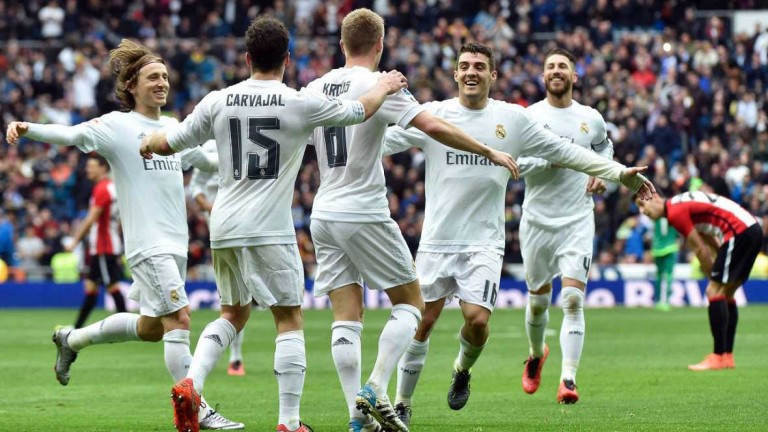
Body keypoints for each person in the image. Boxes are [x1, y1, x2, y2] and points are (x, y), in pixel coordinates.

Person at [139, 15, 410, 432]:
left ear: (247, 58)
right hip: (270, 227)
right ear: (287, 58)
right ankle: (289, 422)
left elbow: (167, 142)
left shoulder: (217, 100)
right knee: (288, 319)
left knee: (232, 313)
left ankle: (193, 381)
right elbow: (359, 111)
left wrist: (148, 142)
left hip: (224, 225)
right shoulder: (297, 102)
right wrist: (384, 86)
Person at [383, 42, 655, 427]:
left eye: (480, 66)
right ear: (456, 73)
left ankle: (462, 369)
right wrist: (334, 134)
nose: (471, 72)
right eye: (465, 66)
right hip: (436, 242)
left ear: (493, 75)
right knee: (423, 322)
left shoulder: (512, 119)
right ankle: (402, 402)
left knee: (478, 321)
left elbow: (566, 152)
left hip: (484, 242)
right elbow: (384, 141)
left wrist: (617, 173)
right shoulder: (435, 115)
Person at [5, 39, 243, 431]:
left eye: (164, 76)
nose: (162, 83)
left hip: (175, 244)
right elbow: (70, 134)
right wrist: (28, 129)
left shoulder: (173, 128)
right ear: (131, 86)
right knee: (180, 319)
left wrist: (244, 158)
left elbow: (204, 160)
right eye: (153, 77)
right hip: (148, 244)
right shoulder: (118, 127)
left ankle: (72, 339)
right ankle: (196, 409)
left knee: (151, 329)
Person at [306, 11, 518, 432]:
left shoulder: (314, 87)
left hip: (323, 212)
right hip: (363, 210)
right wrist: (488, 150)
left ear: (342, 45)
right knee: (411, 304)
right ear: (380, 45)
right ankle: (376, 386)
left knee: (346, 317)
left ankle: (358, 420)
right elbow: (433, 125)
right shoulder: (380, 84)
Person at [516, 47, 612, 405]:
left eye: (563, 66)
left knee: (572, 299)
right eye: (550, 66)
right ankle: (536, 353)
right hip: (537, 221)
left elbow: (605, 150)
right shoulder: (528, 118)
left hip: (577, 219)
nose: (556, 71)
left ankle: (568, 379)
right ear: (543, 76)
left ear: (574, 76)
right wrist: (547, 161)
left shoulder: (591, 118)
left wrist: (602, 175)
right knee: (538, 303)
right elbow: (514, 163)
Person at [636, 191, 763, 371]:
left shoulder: (675, 212)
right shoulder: (681, 204)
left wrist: (714, 277)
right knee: (727, 294)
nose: (642, 211)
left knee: (714, 291)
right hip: (751, 229)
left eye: (642, 204)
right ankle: (727, 356)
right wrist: (719, 265)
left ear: (655, 197)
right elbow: (708, 236)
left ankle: (718, 356)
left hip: (738, 231)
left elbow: (700, 250)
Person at [188, 141, 247, 376]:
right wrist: (213, 208)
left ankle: (235, 357)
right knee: (234, 298)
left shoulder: (240, 144)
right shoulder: (210, 148)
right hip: (219, 229)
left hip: (243, 224)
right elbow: (196, 188)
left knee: (239, 298)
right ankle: (234, 358)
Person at [64, 153, 127, 328]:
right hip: (105, 245)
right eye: (87, 167)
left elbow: (91, 219)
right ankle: (77, 328)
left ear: (103, 168)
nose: (88, 170)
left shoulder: (102, 189)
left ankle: (126, 325)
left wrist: (74, 241)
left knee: (112, 286)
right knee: (91, 287)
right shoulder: (111, 187)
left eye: (92, 167)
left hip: (104, 247)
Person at [652, 216, 679, 311]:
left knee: (659, 275)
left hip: (657, 249)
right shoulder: (673, 218)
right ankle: (665, 301)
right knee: (668, 274)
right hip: (670, 248)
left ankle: (658, 300)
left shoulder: (656, 218)